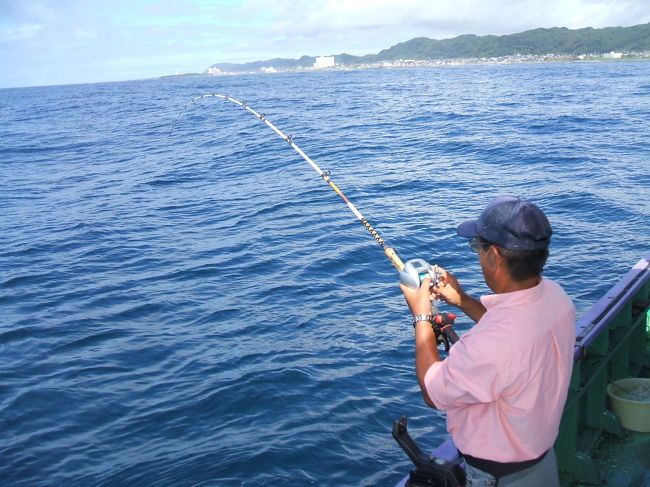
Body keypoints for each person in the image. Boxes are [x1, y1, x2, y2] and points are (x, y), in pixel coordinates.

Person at [400, 195, 576, 487]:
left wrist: (420, 316)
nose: (477, 254)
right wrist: (461, 300)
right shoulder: (557, 297)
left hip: (500, 478)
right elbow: (512, 336)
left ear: (494, 256)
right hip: (543, 464)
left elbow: (433, 393)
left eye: (476, 247)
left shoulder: (495, 345)